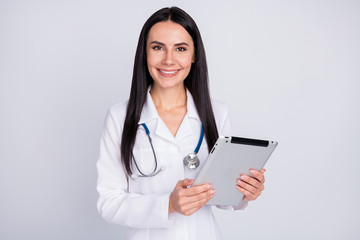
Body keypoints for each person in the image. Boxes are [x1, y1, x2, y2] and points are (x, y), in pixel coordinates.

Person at [96, 6, 266, 240]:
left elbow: (224, 195)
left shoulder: (217, 112)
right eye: (157, 48)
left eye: (181, 49)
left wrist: (245, 192)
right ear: (145, 53)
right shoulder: (120, 117)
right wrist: (168, 205)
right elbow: (109, 202)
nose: (168, 60)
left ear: (194, 55)